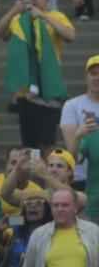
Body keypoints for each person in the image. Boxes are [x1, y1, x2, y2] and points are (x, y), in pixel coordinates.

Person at [0, 0, 75, 155]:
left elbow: (70, 35)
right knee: (29, 146)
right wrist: (14, 10)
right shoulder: (18, 20)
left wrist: (44, 17)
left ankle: (49, 179)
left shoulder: (56, 16)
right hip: (27, 94)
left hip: (48, 87)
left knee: (48, 144)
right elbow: (0, 33)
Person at [21, 188, 99, 267]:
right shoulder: (38, 234)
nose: (59, 209)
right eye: (55, 205)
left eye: (65, 205)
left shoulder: (93, 232)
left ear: (75, 208)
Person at [59, 55, 99, 187]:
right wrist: (79, 134)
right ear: (86, 77)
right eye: (93, 74)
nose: (97, 78)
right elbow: (71, 155)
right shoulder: (72, 105)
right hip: (81, 179)